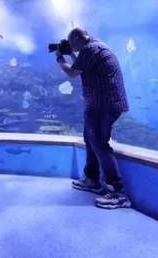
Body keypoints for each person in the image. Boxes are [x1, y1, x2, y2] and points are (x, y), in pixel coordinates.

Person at [55, 28, 131, 209]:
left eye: (71, 43)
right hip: (103, 103)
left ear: (77, 39)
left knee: (99, 143)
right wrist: (72, 54)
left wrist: (60, 58)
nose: (71, 47)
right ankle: (92, 179)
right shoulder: (96, 47)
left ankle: (118, 192)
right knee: (91, 139)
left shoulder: (90, 49)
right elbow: (82, 66)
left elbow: (73, 73)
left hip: (102, 104)